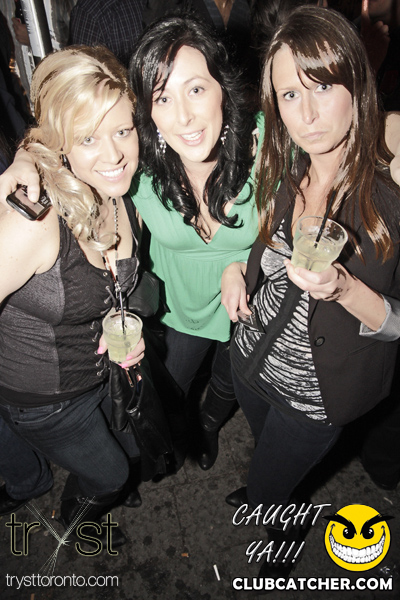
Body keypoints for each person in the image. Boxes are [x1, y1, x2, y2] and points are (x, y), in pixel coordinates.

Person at [221, 5, 400, 579]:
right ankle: (276, 496)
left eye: (322, 87)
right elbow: (264, 251)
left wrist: (344, 288)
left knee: (267, 485)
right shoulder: (286, 167)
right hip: (251, 360)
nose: (308, 114)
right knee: (267, 459)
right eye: (290, 95)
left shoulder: (388, 201)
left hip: (316, 398)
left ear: (356, 84)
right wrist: (235, 270)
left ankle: (280, 529)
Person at [0, 45, 145, 546]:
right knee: (112, 474)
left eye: (123, 130)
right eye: (88, 138)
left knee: (127, 452)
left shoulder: (123, 190)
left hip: (101, 374)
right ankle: (78, 523)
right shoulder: (33, 220)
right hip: (44, 400)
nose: (115, 155)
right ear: (62, 144)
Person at [128, 15, 260, 470]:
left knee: (232, 378)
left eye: (197, 89)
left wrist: (242, 264)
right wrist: (24, 158)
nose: (183, 116)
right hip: (180, 307)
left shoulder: (267, 145)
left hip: (252, 294)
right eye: (163, 98)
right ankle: (184, 427)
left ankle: (209, 424)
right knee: (172, 388)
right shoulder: (136, 166)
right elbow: (70, 149)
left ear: (223, 88)